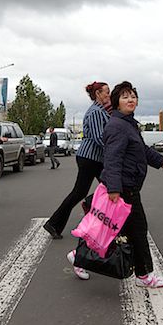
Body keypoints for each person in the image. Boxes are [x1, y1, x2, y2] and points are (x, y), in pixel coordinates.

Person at [67, 81, 163, 286]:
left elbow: (143, 150)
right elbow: (112, 158)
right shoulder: (117, 126)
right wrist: (114, 188)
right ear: (117, 102)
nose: (130, 99)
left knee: (113, 230)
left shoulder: (128, 124)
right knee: (137, 230)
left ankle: (78, 255)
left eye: (133, 96)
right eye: (125, 96)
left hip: (128, 186)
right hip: (125, 189)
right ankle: (144, 276)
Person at [44, 81, 111, 239]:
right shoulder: (95, 112)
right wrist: (114, 151)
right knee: (108, 187)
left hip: (94, 158)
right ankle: (54, 223)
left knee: (102, 188)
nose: (109, 95)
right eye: (107, 92)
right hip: (90, 158)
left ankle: (54, 223)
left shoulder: (100, 111)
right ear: (98, 94)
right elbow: (98, 137)